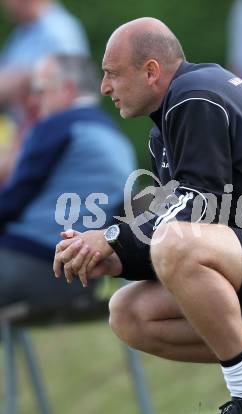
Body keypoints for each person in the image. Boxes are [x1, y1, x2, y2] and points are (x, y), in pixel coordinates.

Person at [53, 18, 242, 413]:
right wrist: (113, 257)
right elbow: (174, 241)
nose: (104, 87)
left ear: (151, 71)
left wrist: (113, 237)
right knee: (128, 313)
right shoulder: (167, 125)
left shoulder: (194, 96)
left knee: (176, 240)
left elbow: (196, 211)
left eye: (112, 74)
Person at [0, 54, 135, 307]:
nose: (32, 100)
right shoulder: (116, 137)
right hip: (87, 278)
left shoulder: (57, 127)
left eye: (40, 90)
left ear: (68, 90)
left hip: (35, 265)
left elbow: (12, 201)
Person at [0, 0, 90, 184]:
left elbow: (69, 99)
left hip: (50, 153)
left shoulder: (59, 33)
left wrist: (18, 79)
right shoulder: (23, 33)